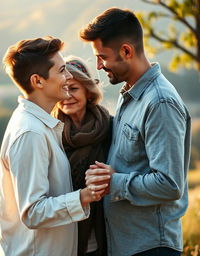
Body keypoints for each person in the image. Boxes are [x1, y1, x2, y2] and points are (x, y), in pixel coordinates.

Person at [80, 7, 191, 256]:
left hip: (151, 247)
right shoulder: (130, 94)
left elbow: (169, 184)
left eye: (102, 57)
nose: (98, 65)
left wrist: (113, 182)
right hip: (128, 245)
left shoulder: (160, 102)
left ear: (126, 51)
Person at [0, 37, 108, 256]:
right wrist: (85, 195)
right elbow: (33, 213)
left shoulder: (41, 125)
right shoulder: (30, 133)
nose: (68, 76)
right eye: (62, 70)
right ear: (38, 81)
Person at [53, 56, 112, 256]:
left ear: (88, 91)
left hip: (106, 233)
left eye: (74, 88)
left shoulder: (111, 127)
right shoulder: (51, 134)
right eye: (63, 89)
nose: (67, 96)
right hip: (63, 238)